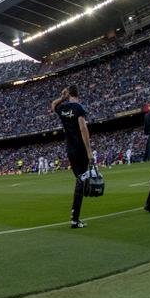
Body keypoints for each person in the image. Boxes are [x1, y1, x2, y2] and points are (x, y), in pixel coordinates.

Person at [51, 85, 93, 228]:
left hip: (70, 150)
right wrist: (89, 151)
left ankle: (75, 216)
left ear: (69, 94)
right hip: (80, 149)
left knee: (80, 180)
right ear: (78, 93)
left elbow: (53, 105)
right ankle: (75, 219)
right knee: (82, 181)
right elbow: (83, 128)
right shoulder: (79, 108)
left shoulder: (63, 108)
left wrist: (62, 98)